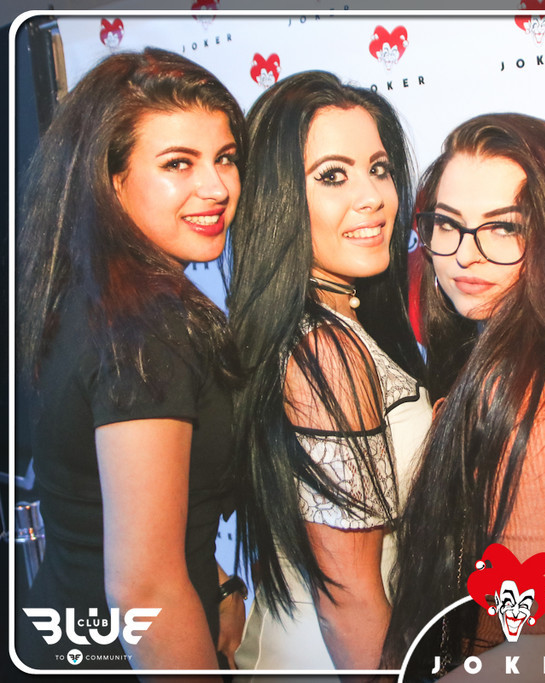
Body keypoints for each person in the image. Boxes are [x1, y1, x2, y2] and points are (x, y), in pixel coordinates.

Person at [15, 48, 246, 670]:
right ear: (111, 180)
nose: (217, 187)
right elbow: (144, 590)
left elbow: (123, 513)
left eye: (225, 158)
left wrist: (218, 582)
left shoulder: (88, 295)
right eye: (178, 163)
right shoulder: (149, 329)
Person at [383, 113, 545, 682]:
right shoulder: (508, 359)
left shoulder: (537, 395)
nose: (464, 255)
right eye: (447, 223)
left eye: (504, 228)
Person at [228, 71, 430, 674]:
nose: (373, 197)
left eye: (379, 168)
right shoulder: (324, 352)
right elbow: (348, 599)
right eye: (333, 176)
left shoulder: (334, 327)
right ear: (276, 198)